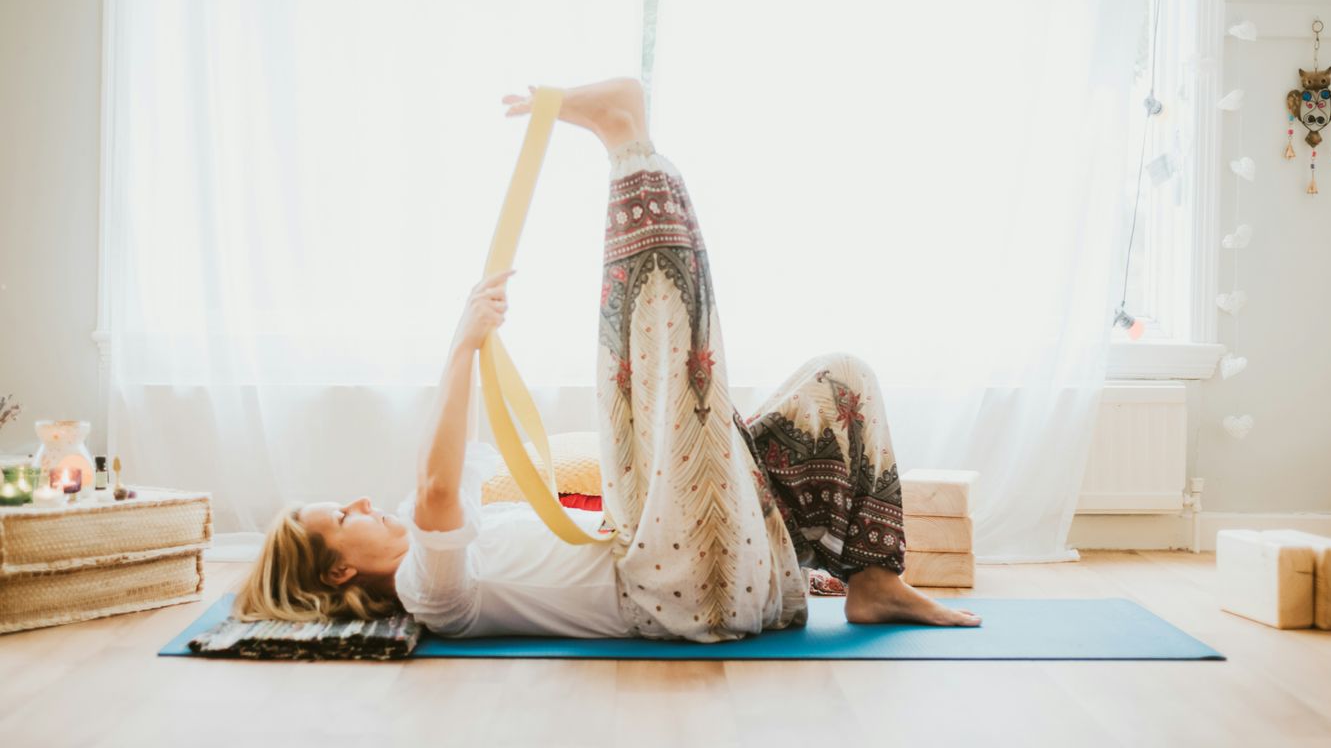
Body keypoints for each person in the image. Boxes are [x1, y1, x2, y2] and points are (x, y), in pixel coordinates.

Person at [235, 78, 981, 640]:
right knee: (664, 380)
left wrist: (482, 349)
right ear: (338, 570)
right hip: (682, 583)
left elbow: (452, 476)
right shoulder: (426, 592)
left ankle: (875, 582)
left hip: (704, 538)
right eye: (340, 515)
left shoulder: (423, 533)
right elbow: (436, 485)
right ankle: (628, 142)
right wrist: (461, 343)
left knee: (841, 378)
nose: (358, 502)